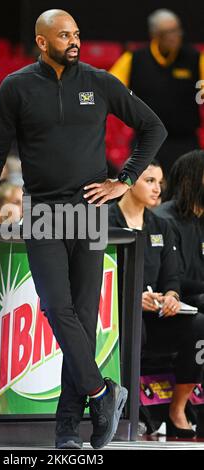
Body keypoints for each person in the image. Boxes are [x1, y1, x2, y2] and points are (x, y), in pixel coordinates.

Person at [0, 9, 167, 449]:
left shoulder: (100, 83)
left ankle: (68, 429)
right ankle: (103, 393)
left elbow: (153, 128)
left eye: (77, 34)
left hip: (91, 211)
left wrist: (122, 181)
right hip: (42, 209)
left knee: (81, 318)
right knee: (55, 307)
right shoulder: (17, 86)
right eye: (64, 35)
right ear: (43, 42)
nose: (74, 41)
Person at [109, 160, 204, 438]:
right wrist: (133, 298)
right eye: (149, 181)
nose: (158, 188)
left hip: (157, 314)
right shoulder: (105, 221)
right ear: (127, 182)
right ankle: (131, 412)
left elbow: (172, 278)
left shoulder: (161, 225)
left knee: (199, 324)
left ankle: (178, 409)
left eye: (159, 182)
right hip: (119, 313)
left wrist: (172, 297)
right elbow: (97, 276)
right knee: (134, 326)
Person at [110, 9, 204, 176]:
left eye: (177, 30)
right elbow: (109, 88)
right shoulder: (134, 59)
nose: (175, 36)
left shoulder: (195, 59)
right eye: (168, 32)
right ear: (155, 34)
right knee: (147, 195)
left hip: (184, 141)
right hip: (147, 141)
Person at [155, 150, 204, 312]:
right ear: (188, 181)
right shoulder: (164, 220)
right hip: (174, 302)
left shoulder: (200, 217)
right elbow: (174, 278)